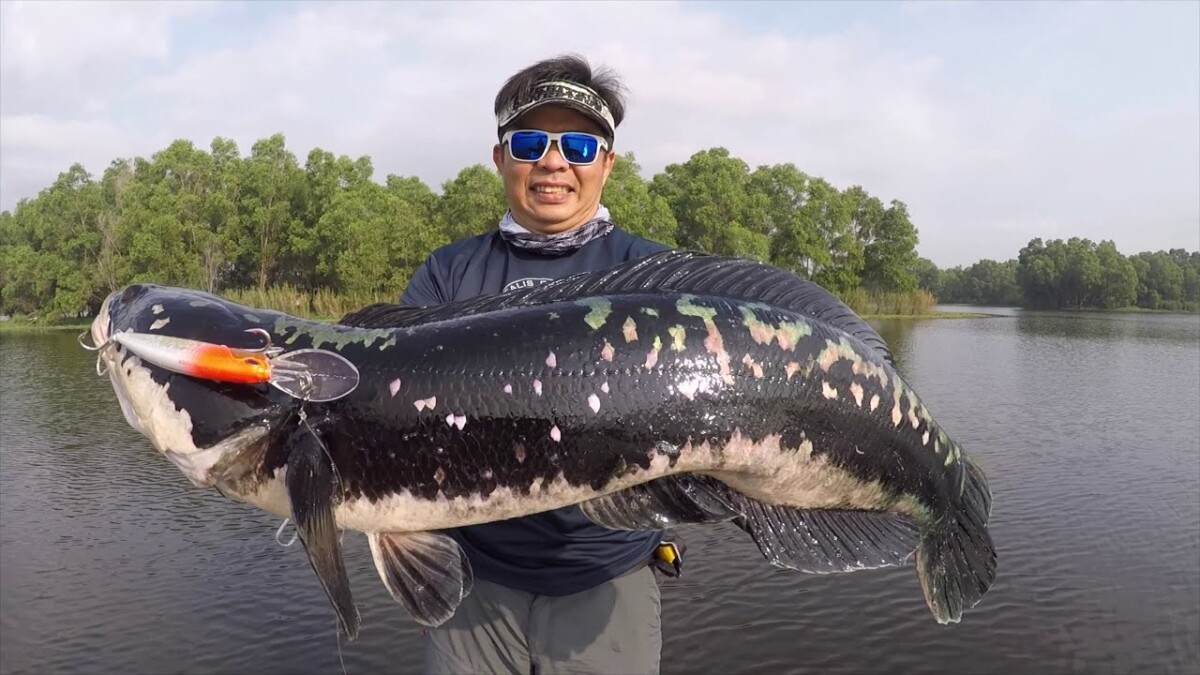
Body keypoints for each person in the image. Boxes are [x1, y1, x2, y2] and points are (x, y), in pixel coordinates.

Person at [399, 55, 673, 675]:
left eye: (578, 143)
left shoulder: (654, 279)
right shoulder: (447, 275)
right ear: (500, 158)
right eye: (530, 142)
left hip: (608, 578)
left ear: (607, 162)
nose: (554, 162)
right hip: (473, 578)